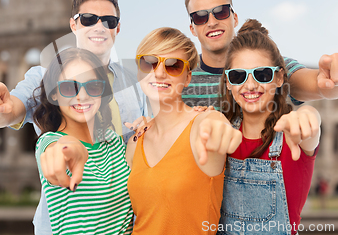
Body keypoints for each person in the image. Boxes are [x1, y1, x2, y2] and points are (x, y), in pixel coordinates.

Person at [0, 0, 145, 235]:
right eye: (88, 19)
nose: (99, 26)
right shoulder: (44, 76)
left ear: (117, 28)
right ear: (74, 25)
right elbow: (14, 111)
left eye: (108, 20)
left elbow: (137, 144)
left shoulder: (133, 83)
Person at [126, 27, 243, 234]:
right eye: (149, 62)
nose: (159, 72)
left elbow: (215, 125)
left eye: (173, 66)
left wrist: (221, 129)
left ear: (188, 78)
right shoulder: (136, 141)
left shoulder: (202, 122)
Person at [182, 0, 338, 109]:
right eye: (200, 17)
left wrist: (336, 81)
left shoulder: (270, 66)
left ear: (234, 18)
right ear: (192, 29)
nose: (212, 22)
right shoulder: (179, 75)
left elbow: (318, 86)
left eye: (220, 12)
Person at [217, 19, 322, 235]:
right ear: (228, 82)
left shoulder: (293, 137)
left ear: (279, 77)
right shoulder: (222, 135)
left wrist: (309, 114)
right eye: (238, 76)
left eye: (262, 74)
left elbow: (310, 127)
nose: (250, 85)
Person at [33, 48, 132, 234]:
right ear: (54, 93)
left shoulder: (114, 141)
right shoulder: (50, 141)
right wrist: (68, 149)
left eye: (93, 86)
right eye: (69, 87)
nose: (82, 96)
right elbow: (57, 149)